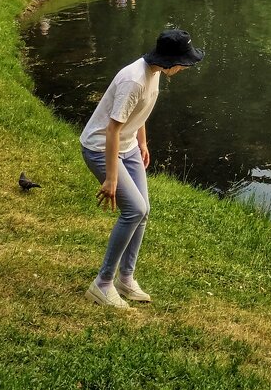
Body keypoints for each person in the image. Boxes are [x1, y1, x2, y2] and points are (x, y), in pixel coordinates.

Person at [81, 29, 204, 309]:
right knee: (134, 210)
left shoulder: (155, 72)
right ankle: (102, 284)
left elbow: (138, 112)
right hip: (101, 147)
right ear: (171, 61)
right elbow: (112, 128)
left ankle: (126, 277)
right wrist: (111, 177)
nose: (185, 67)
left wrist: (142, 142)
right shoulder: (133, 80)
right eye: (184, 62)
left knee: (144, 210)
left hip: (130, 146)